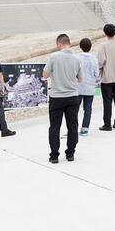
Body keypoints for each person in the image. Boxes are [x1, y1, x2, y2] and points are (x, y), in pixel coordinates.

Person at [43, 34, 83, 163]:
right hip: (72, 96)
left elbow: (45, 75)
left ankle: (54, 156)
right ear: (68, 43)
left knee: (55, 127)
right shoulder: (77, 58)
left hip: (57, 97)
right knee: (72, 126)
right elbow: (80, 79)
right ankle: (70, 154)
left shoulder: (53, 57)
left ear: (59, 44)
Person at [95, 23, 115, 131]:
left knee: (107, 102)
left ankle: (107, 124)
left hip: (107, 78)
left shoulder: (103, 46)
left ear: (105, 33)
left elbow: (101, 61)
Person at [77, 37, 100, 136]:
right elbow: (97, 73)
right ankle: (85, 129)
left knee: (74, 109)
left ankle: (73, 128)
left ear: (80, 46)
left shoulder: (77, 58)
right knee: (88, 109)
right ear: (90, 47)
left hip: (78, 87)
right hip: (90, 87)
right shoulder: (94, 59)